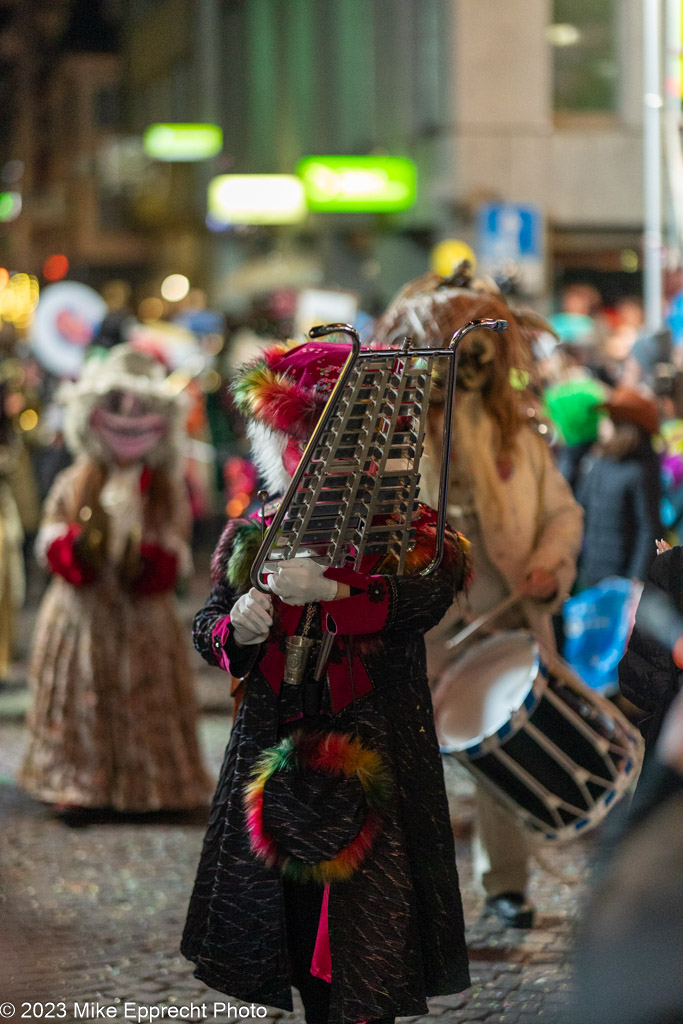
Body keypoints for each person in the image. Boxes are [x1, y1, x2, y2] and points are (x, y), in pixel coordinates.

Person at [182, 338, 473, 1024]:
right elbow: (209, 622)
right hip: (275, 748)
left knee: (368, 924)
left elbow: (425, 596)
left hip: (373, 745)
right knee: (286, 913)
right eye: (293, 438)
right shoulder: (253, 527)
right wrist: (239, 628)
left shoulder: (409, 528)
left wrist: (342, 591)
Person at [371, 272, 583, 929]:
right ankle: (404, 890)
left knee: (501, 755)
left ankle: (505, 885)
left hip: (501, 621)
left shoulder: (518, 438)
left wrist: (548, 566)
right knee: (403, 761)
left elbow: (563, 516)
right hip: (419, 626)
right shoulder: (393, 440)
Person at [20, 344, 211, 813]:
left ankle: (151, 787)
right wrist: (71, 549)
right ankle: (80, 783)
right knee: (83, 695)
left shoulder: (165, 487)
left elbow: (176, 541)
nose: (128, 416)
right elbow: (52, 526)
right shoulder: (77, 478)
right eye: (116, 405)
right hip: (82, 613)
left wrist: (154, 561)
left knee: (143, 697)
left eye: (141, 406)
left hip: (141, 617)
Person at [575, 386, 663, 591]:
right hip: (591, 574)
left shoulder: (641, 470)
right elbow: (580, 509)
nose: (602, 423)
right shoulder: (598, 463)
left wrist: (635, 580)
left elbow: (649, 528)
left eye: (609, 419)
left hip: (622, 581)